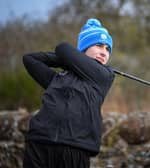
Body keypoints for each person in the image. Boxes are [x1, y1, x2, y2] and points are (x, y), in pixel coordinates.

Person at [22, 18, 115, 168]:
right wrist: (65, 62)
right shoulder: (58, 78)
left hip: (75, 148)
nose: (104, 52)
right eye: (99, 46)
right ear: (84, 47)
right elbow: (30, 59)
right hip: (39, 142)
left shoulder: (104, 75)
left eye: (107, 49)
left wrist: (68, 59)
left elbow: (62, 48)